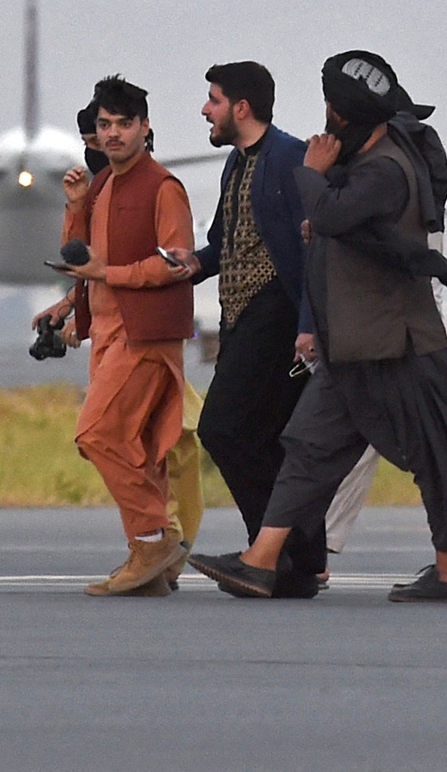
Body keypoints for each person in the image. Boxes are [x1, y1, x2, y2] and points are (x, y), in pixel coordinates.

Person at [189, 51, 447, 602]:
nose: (325, 120)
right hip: (350, 342)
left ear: (344, 115)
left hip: (391, 343)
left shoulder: (387, 168)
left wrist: (310, 176)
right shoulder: (362, 164)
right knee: (306, 448)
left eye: (331, 109)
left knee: (430, 455)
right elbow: (336, 225)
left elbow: (332, 215)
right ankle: (262, 559)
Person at [35, 100, 204, 582]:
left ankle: (154, 541)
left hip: (145, 332)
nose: (111, 135)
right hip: (108, 331)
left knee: (98, 433)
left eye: (123, 124)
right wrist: (71, 300)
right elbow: (85, 257)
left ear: (145, 127)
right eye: (104, 126)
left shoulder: (163, 187)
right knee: (142, 446)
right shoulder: (104, 183)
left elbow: (177, 263)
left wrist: (106, 274)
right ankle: (154, 560)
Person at [174, 61, 319, 597]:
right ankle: (298, 561)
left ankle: (271, 552)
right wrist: (192, 265)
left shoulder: (289, 157)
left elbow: (311, 251)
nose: (205, 110)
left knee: (223, 429)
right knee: (272, 439)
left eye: (212, 100)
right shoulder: (236, 163)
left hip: (276, 315)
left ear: (241, 107)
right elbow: (228, 241)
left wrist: (309, 323)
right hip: (239, 316)